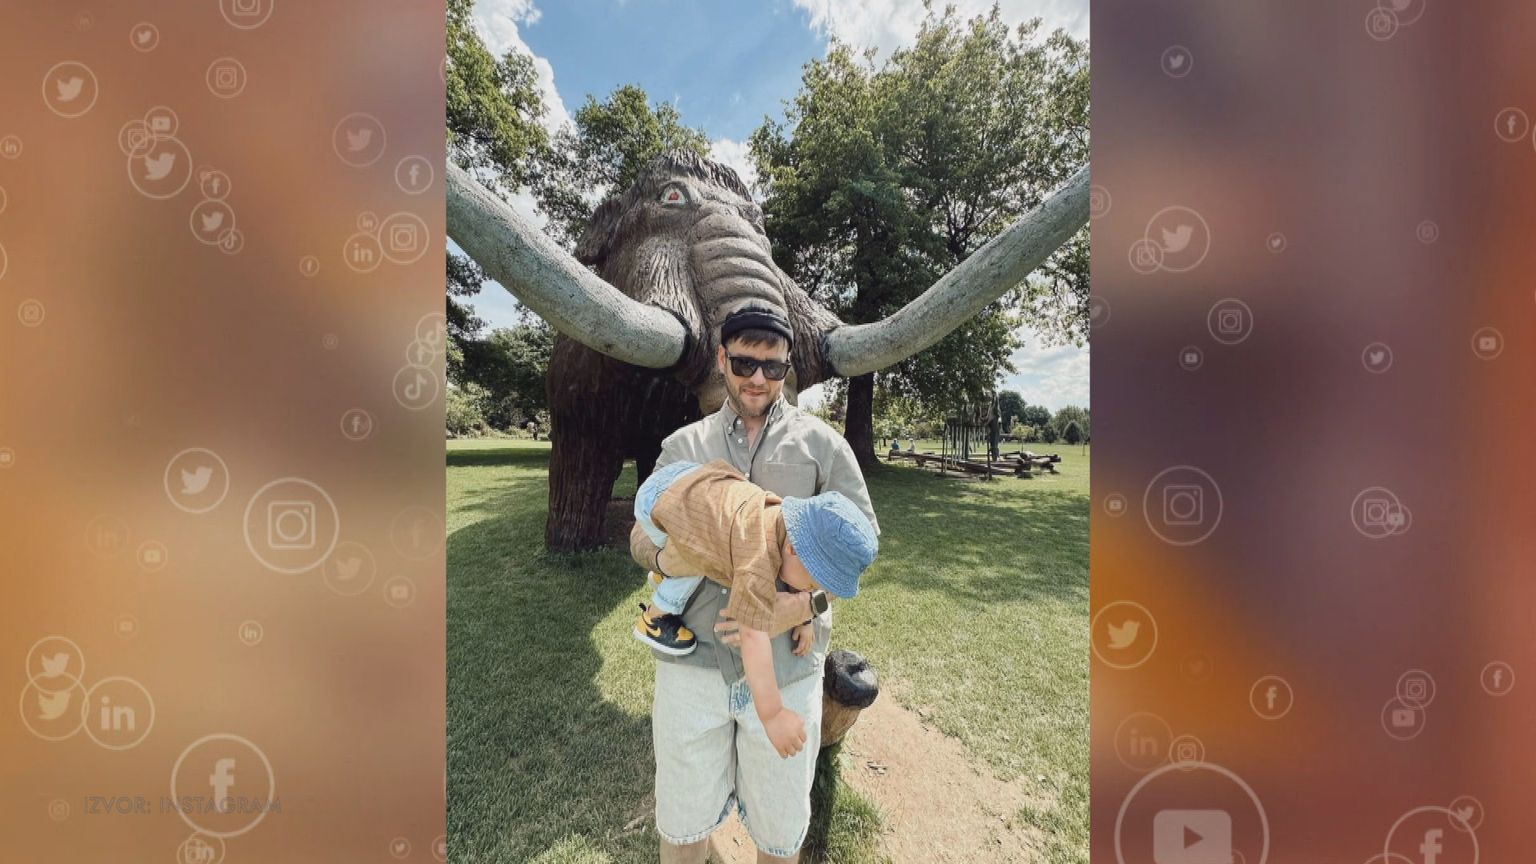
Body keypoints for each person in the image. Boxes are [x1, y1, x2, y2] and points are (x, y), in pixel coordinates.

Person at [630, 305, 878, 864]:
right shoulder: (684, 445)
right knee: (683, 827)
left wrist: (804, 607)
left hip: (787, 672)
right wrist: (669, 557)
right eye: (744, 364)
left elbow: (858, 551)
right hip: (691, 669)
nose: (759, 379)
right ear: (722, 359)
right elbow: (639, 537)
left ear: (787, 367)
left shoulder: (824, 447)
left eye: (773, 367)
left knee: (779, 834)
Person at [632, 460, 876, 758]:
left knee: (708, 546)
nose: (812, 590)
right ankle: (655, 618)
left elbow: (801, 563)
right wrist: (773, 715)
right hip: (659, 499)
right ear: (793, 549)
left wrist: (804, 616)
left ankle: (668, 577)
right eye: (814, 583)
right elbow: (752, 636)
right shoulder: (755, 562)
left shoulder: (784, 518)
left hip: (694, 481)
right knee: (694, 558)